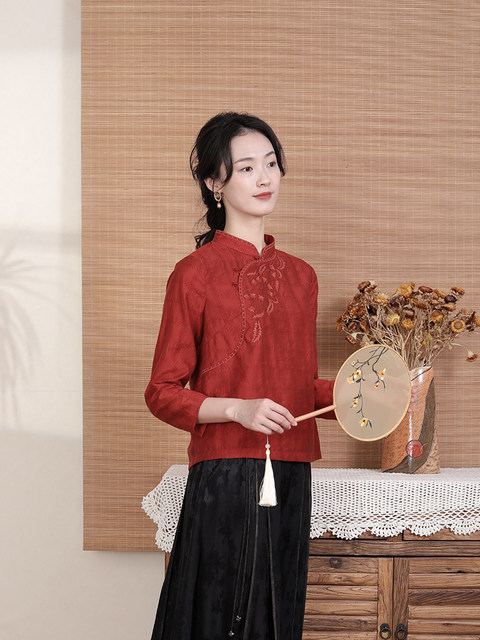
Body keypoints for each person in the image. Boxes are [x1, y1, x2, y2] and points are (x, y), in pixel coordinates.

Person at [145, 112, 336, 640]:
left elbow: (300, 388)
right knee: (218, 617)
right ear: (215, 182)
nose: (264, 177)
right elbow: (162, 392)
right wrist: (237, 408)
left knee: (278, 618)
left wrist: (366, 393)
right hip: (224, 473)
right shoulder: (194, 274)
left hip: (291, 471)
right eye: (247, 167)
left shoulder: (302, 276)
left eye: (271, 164)